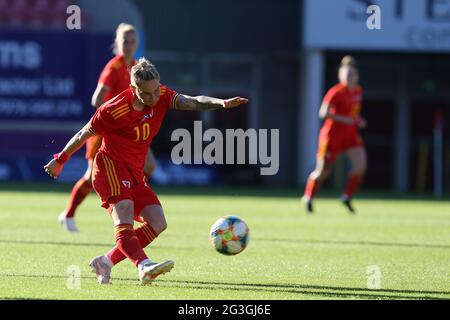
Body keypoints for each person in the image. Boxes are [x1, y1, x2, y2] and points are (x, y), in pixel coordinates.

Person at [44, 57, 248, 285]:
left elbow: (194, 101)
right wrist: (59, 159)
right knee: (125, 215)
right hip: (110, 167)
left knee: (157, 223)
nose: (154, 97)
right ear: (133, 88)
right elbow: (84, 134)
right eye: (147, 93)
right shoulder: (113, 109)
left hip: (134, 172)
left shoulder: (161, 95)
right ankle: (144, 265)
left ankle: (106, 262)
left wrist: (219, 103)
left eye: (156, 91)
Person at [58, 23, 157, 232]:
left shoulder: (138, 67)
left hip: (131, 133)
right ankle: (68, 214)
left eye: (132, 42)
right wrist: (115, 115)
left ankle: (130, 196)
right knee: (89, 176)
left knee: (149, 165)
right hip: (108, 131)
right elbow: (97, 99)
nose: (128, 46)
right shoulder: (114, 67)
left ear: (137, 43)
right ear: (117, 44)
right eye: (124, 41)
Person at [302, 55, 367, 214]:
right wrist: (344, 119)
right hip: (332, 135)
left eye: (353, 74)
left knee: (360, 165)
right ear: (340, 76)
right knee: (323, 172)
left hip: (350, 135)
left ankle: (347, 197)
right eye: (347, 74)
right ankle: (309, 196)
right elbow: (322, 113)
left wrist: (358, 120)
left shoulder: (358, 91)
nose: (350, 77)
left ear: (357, 75)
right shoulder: (335, 92)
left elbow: (353, 113)